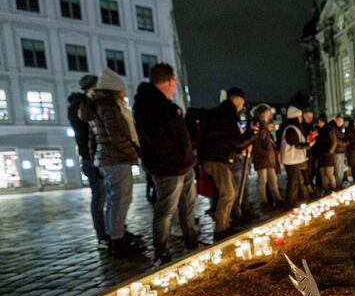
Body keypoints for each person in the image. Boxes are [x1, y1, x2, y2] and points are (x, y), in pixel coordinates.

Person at [133, 63, 199, 263]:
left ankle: (192, 240)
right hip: (168, 167)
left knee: (188, 205)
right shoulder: (149, 104)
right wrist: (179, 158)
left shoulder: (164, 104)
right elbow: (159, 141)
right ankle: (161, 249)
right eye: (174, 83)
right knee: (166, 209)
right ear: (170, 81)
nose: (175, 87)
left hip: (183, 165)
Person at [79, 68, 141, 256]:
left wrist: (95, 158)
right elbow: (116, 136)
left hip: (107, 158)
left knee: (116, 200)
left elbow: (93, 139)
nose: (123, 96)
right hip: (116, 158)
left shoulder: (96, 107)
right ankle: (117, 241)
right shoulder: (108, 107)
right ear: (114, 91)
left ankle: (115, 236)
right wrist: (134, 153)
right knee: (120, 200)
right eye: (121, 92)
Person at [198, 87, 256, 240]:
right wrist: (251, 134)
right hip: (215, 159)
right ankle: (221, 229)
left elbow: (228, 141)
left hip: (216, 157)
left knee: (233, 190)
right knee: (228, 192)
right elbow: (236, 141)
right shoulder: (227, 114)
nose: (242, 106)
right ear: (237, 99)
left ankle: (226, 224)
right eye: (242, 102)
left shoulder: (222, 112)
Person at [68, 75, 106, 247]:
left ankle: (111, 231)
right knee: (99, 198)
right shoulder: (80, 107)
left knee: (107, 197)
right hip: (91, 158)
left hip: (96, 156)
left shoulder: (84, 105)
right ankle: (103, 235)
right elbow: (87, 132)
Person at [280, 106, 313, 208]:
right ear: (295, 117)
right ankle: (290, 204)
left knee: (300, 180)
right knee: (293, 183)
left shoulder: (294, 128)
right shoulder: (291, 128)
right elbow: (295, 144)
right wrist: (308, 145)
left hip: (296, 160)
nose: (301, 118)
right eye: (300, 116)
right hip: (292, 160)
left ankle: (305, 199)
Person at [251, 104, 282, 210]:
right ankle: (264, 201)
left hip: (268, 159)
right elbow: (257, 143)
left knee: (273, 180)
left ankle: (277, 199)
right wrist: (266, 154)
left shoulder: (264, 127)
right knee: (263, 181)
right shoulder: (257, 125)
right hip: (262, 159)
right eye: (268, 113)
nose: (270, 115)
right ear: (262, 114)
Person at [332, 114, 347, 188]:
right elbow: (335, 140)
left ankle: (340, 182)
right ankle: (338, 183)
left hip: (341, 150)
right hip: (337, 151)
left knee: (341, 168)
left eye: (341, 121)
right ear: (336, 120)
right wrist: (344, 143)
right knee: (338, 168)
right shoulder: (334, 128)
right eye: (338, 121)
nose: (340, 122)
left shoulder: (341, 128)